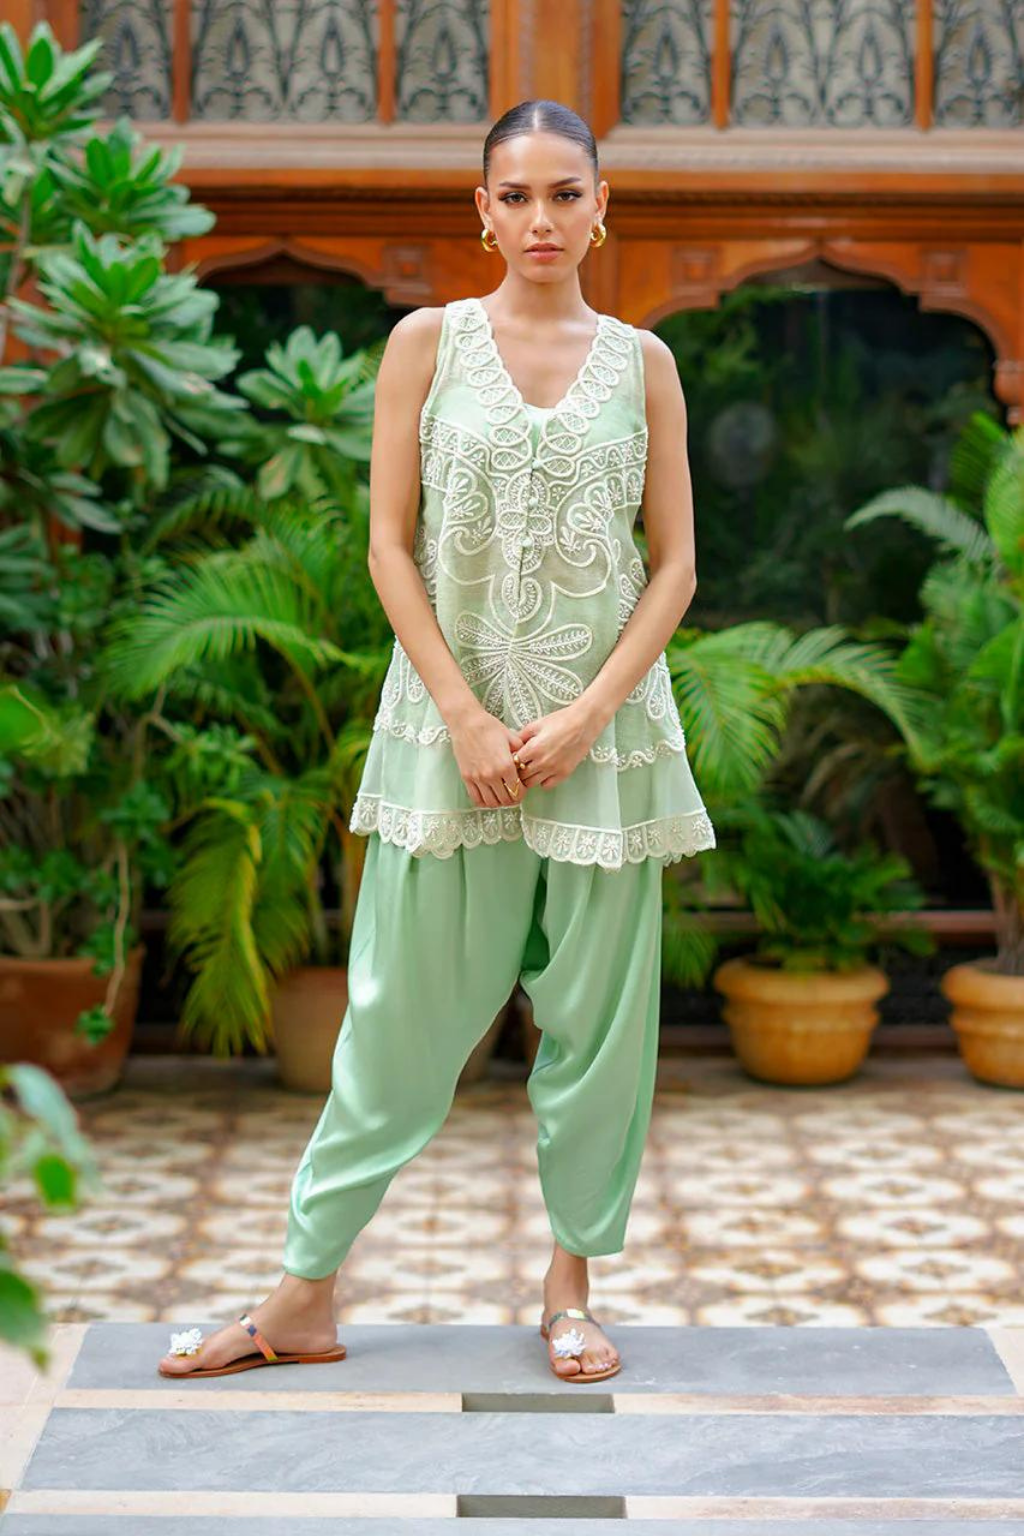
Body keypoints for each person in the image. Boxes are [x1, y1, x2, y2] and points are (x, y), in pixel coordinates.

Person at [158, 97, 715, 1385]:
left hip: (604, 746)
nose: (541, 219)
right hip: (442, 738)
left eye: (565, 194)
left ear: (602, 206)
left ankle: (568, 1294)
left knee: (598, 1031)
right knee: (396, 1020)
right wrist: (465, 715)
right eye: (516, 195)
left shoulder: (645, 365)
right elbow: (386, 545)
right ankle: (301, 1296)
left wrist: (587, 715)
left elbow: (678, 565)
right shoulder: (427, 343)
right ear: (481, 210)